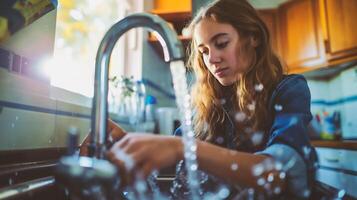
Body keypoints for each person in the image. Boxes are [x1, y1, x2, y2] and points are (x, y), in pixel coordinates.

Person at [81, 0, 317, 199]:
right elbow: (173, 157)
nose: (212, 59)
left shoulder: (288, 90)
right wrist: (126, 142)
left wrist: (182, 147)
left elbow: (280, 174)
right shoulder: (210, 103)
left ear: (253, 37)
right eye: (203, 51)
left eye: (221, 43)